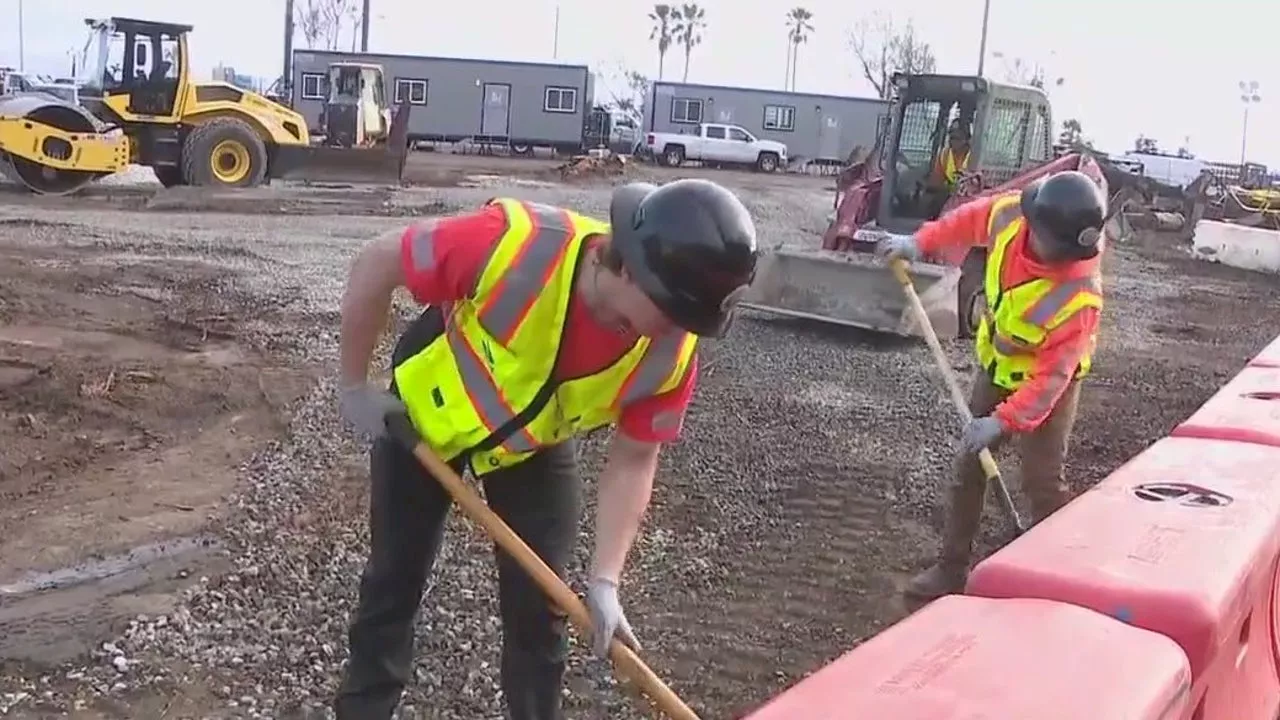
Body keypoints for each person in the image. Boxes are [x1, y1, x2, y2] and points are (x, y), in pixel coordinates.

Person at [332, 178, 759, 719]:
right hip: (423, 415)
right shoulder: (513, 245)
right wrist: (353, 386)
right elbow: (377, 261)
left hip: (531, 444)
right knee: (395, 579)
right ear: (626, 266)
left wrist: (605, 579)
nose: (679, 331)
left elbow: (634, 458)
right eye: (673, 310)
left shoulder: (670, 354)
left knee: (543, 608)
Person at [877, 169, 1107, 602]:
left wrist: (1002, 422)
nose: (1052, 256)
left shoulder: (1079, 297)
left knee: (1043, 480)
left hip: (1048, 389)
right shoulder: (1012, 215)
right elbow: (965, 221)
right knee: (970, 466)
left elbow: (1050, 379)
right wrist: (919, 242)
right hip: (999, 366)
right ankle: (951, 568)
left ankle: (1055, 574)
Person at [921, 121, 973, 218]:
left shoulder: (974, 156)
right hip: (948, 196)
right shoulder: (944, 155)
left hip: (968, 198)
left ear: (967, 140)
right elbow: (936, 181)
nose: (952, 141)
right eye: (951, 137)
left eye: (957, 138)